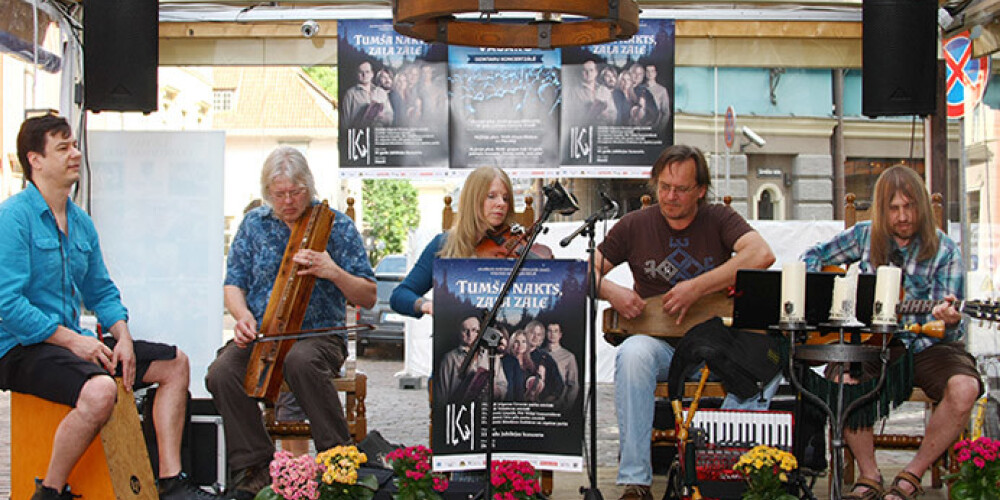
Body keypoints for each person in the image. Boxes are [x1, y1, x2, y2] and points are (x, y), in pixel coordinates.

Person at [0, 114, 222, 500]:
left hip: (70, 345)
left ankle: (170, 483)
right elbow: (8, 304)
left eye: (74, 145)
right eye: (63, 147)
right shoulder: (13, 218)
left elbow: (101, 290)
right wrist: (73, 342)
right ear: (35, 160)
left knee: (176, 364)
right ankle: (50, 491)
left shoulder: (80, 222)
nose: (75, 154)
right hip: (21, 348)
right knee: (101, 391)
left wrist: (122, 337)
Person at [593, 144, 779, 500]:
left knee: (766, 366)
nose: (670, 196)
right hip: (659, 346)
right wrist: (612, 291)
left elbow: (762, 254)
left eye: (681, 189)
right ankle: (635, 481)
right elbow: (586, 272)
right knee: (632, 355)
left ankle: (720, 473)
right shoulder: (634, 225)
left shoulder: (719, 218)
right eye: (663, 186)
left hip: (714, 348)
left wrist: (697, 287)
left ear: (701, 191)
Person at [205, 146, 376, 500]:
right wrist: (243, 317)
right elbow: (233, 283)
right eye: (279, 194)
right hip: (264, 335)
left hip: (320, 337)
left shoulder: (337, 226)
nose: (287, 201)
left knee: (300, 360)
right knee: (221, 372)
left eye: (295, 192)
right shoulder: (253, 225)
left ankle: (337, 460)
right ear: (267, 194)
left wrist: (332, 270)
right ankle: (256, 466)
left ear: (309, 187)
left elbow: (368, 295)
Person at [800, 165, 980, 500]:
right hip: (874, 342)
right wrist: (838, 294)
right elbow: (811, 257)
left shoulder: (944, 249)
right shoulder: (865, 235)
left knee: (965, 388)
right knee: (841, 380)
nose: (902, 217)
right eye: (894, 209)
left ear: (922, 207)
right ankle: (869, 476)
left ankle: (912, 474)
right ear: (883, 210)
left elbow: (948, 328)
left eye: (909, 207)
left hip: (930, 345)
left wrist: (948, 318)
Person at [390, 166, 517, 402]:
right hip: (454, 363)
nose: (501, 203)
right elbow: (399, 296)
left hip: (499, 362)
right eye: (491, 196)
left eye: (505, 198)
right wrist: (426, 305)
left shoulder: (514, 247)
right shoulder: (444, 246)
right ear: (472, 199)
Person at [341, 61, 393, 128]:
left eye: (367, 72)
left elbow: (390, 115)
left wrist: (383, 117)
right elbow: (345, 122)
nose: (364, 75)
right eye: (361, 72)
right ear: (357, 74)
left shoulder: (381, 92)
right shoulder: (350, 94)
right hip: (359, 135)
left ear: (372, 74)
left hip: (378, 134)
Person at [524, 320, 564, 403]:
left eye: (539, 335)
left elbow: (559, 385)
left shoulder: (546, 358)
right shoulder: (516, 354)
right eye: (532, 333)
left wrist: (546, 402)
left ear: (541, 338)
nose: (535, 337)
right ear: (525, 333)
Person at [567, 60, 617, 125]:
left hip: (602, 130)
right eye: (585, 70)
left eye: (591, 70)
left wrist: (606, 116)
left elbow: (613, 113)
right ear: (581, 73)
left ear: (596, 72)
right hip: (584, 130)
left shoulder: (604, 90)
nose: (588, 73)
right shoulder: (574, 92)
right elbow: (570, 115)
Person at [500, 330, 545, 401]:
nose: (520, 345)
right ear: (512, 344)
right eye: (516, 342)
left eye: (524, 342)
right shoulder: (505, 362)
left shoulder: (532, 365)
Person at [544, 322, 580, 409]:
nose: (552, 334)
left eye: (555, 331)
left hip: (558, 405)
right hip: (540, 404)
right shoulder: (538, 353)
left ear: (560, 335)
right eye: (549, 331)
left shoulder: (568, 356)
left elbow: (573, 385)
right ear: (545, 333)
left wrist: (566, 406)